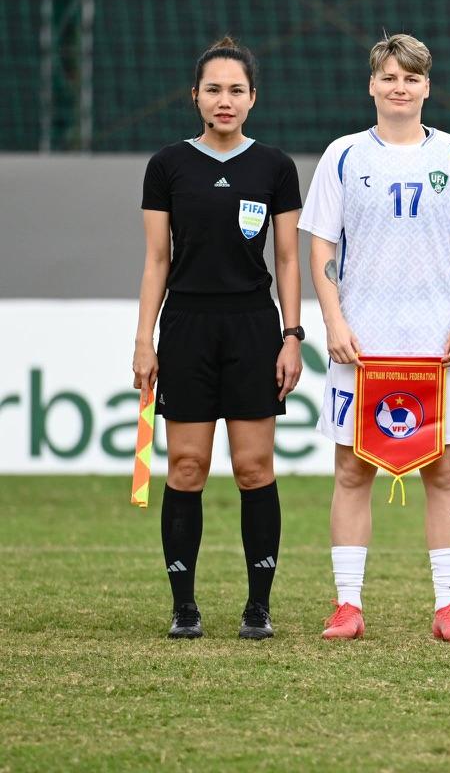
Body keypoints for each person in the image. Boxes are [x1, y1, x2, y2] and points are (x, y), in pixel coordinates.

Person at [299, 33, 450, 642]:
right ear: (372, 85)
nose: (399, 87)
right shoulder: (345, 157)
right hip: (362, 341)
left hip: (439, 343)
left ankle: (447, 608)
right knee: (353, 470)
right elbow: (322, 243)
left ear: (427, 87)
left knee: (446, 471)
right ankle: (347, 605)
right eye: (389, 77)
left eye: (411, 78)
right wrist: (333, 319)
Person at [133, 36, 303, 641]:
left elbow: (287, 260)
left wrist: (292, 335)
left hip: (254, 327)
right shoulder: (168, 165)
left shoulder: (274, 167)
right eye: (213, 90)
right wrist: (144, 340)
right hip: (186, 328)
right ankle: (185, 607)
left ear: (252, 98)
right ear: (196, 97)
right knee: (186, 466)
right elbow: (157, 260)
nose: (224, 100)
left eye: (236, 90)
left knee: (255, 468)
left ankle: (258, 607)